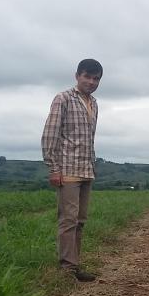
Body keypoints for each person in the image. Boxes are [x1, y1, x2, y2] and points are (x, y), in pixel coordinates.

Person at [41, 59, 103, 282]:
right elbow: (50, 134)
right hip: (67, 170)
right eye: (87, 76)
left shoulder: (94, 103)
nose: (91, 82)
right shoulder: (63, 98)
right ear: (77, 75)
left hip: (86, 169)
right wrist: (53, 168)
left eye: (96, 79)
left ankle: (74, 265)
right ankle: (67, 269)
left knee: (80, 220)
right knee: (68, 220)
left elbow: (90, 139)